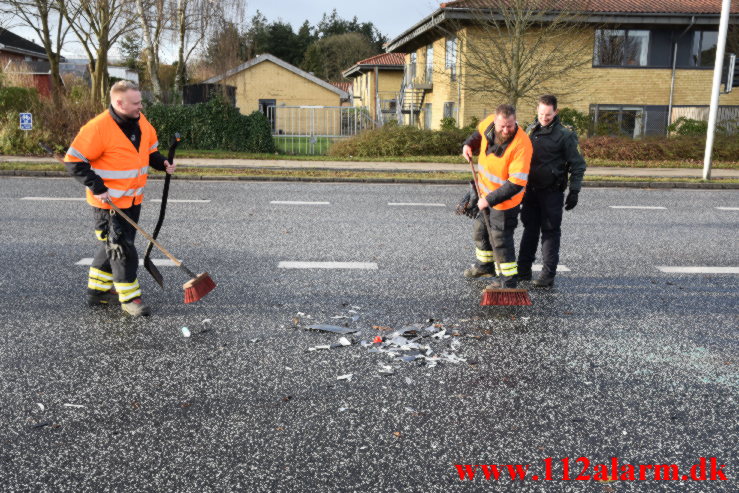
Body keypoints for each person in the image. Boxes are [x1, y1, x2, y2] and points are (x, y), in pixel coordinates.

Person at [64, 80, 176, 316]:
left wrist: (162, 162)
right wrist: (97, 187)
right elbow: (74, 161)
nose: (140, 107)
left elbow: (149, 151)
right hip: (109, 204)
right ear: (118, 102)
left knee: (113, 246)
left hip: (132, 200)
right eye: (136, 103)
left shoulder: (142, 122)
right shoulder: (98, 128)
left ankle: (97, 292)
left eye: (140, 101)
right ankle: (130, 299)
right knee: (122, 249)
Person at [517, 94, 586, 287]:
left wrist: (574, 191)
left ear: (555, 112)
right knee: (529, 230)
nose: (544, 118)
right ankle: (522, 271)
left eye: (548, 114)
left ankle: (547, 275)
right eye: (541, 113)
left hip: (551, 193)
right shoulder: (530, 130)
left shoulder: (565, 135)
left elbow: (578, 165)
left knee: (550, 232)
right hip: (530, 191)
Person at [461, 104, 533, 289]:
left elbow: (516, 184)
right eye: (502, 126)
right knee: (480, 231)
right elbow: (477, 135)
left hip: (504, 203)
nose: (506, 130)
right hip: (485, 194)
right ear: (495, 121)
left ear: (515, 121)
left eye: (510, 125)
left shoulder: (522, 145)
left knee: (500, 240)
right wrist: (468, 145)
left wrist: (488, 200)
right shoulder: (488, 124)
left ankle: (508, 282)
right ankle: (485, 266)